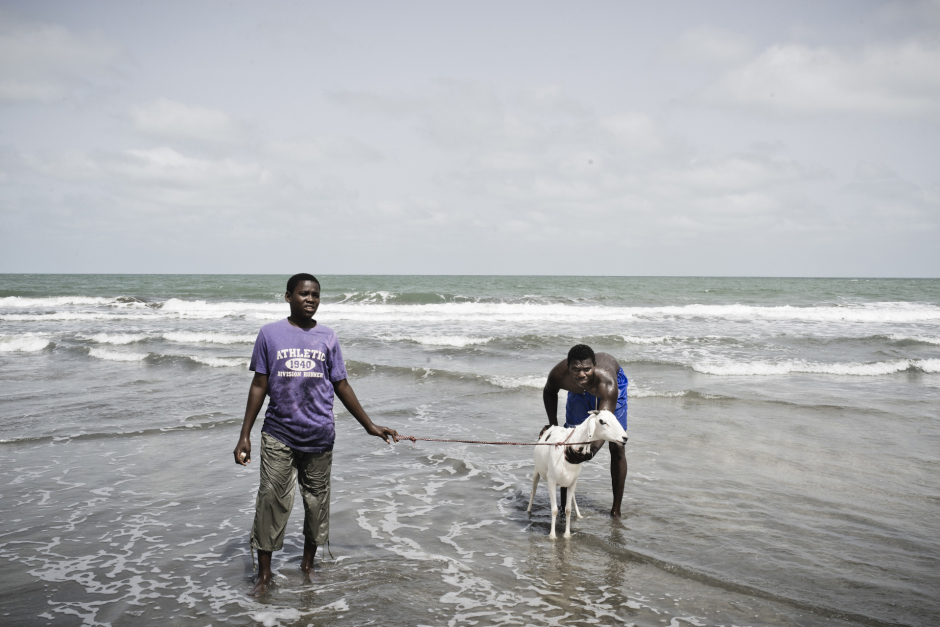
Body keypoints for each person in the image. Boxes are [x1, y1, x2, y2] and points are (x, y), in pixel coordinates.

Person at [233, 273, 397, 596]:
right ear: (288, 296)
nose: (310, 299)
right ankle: (264, 576)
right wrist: (245, 435)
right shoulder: (269, 335)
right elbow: (259, 385)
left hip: (320, 436)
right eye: (304, 294)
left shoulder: (328, 338)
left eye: (316, 295)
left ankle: (308, 566)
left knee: (316, 504)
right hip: (279, 434)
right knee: (271, 501)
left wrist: (370, 426)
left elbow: (341, 385)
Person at [542, 344, 628, 518]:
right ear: (568, 368)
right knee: (570, 443)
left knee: (617, 446)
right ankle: (564, 510)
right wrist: (553, 426)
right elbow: (549, 392)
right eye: (575, 369)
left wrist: (592, 451)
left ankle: (616, 511)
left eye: (587, 369)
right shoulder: (558, 375)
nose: (581, 374)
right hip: (578, 393)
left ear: (594, 366)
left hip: (606, 392)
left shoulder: (608, 382)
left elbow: (604, 423)